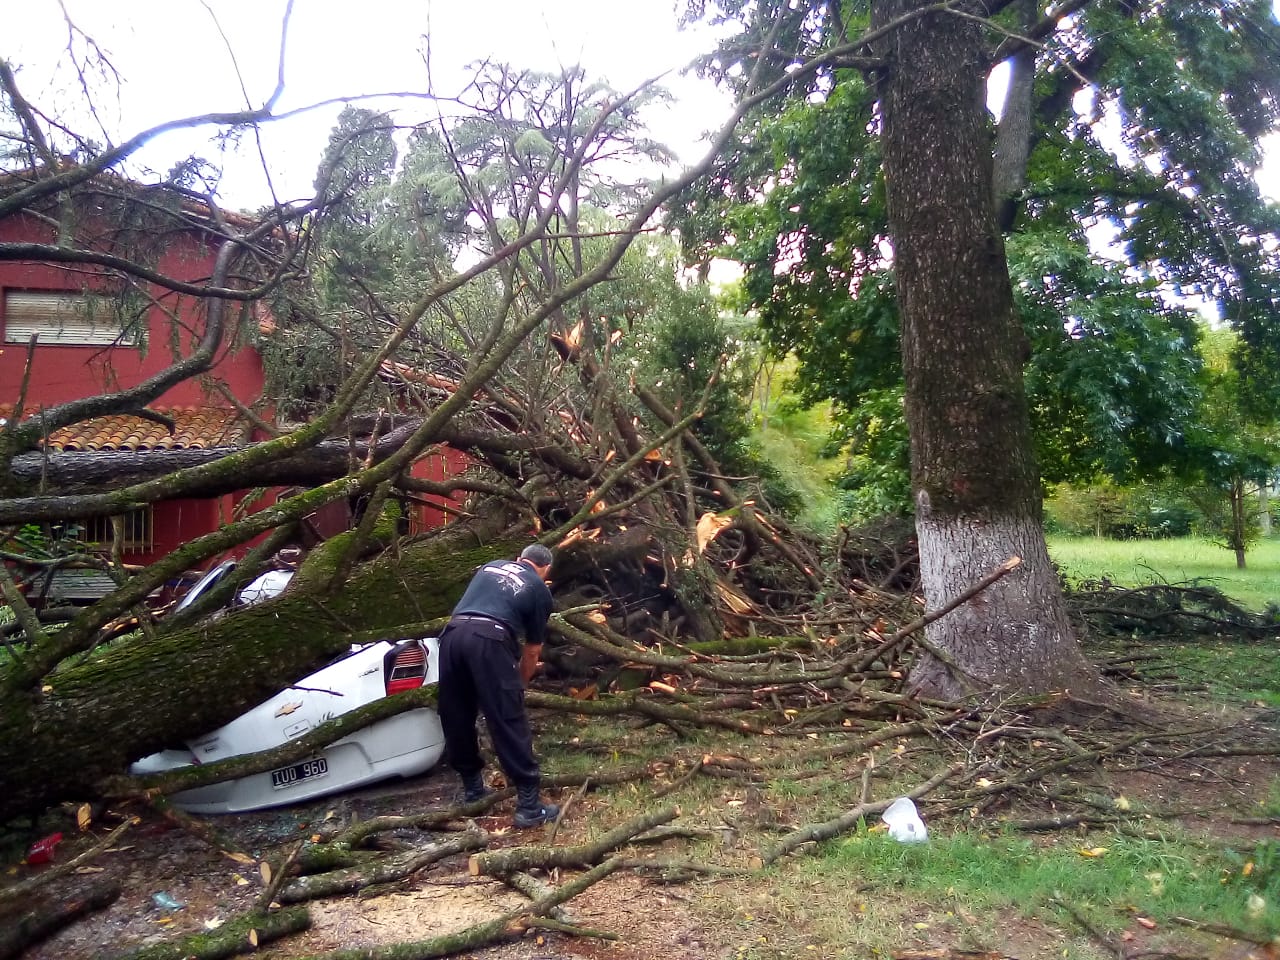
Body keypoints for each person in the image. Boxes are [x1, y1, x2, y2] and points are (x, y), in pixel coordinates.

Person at [437, 543, 560, 827]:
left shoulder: (490, 566)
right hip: (489, 638)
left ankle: (472, 790)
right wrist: (519, 686)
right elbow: (531, 651)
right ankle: (529, 806)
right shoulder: (540, 589)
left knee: (456, 712)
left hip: (453, 635)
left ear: (520, 558)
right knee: (507, 717)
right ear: (545, 570)